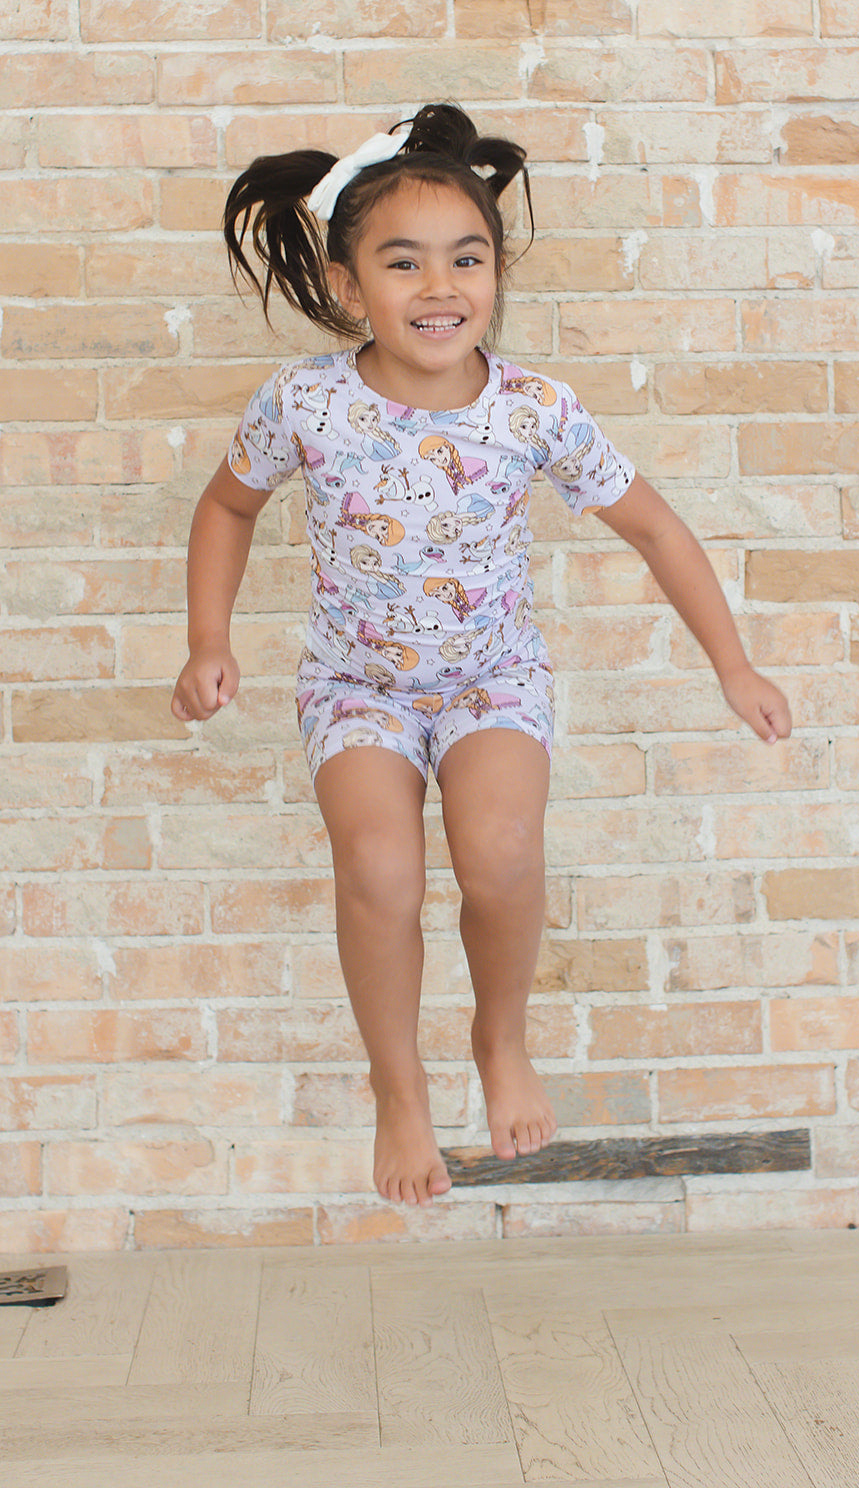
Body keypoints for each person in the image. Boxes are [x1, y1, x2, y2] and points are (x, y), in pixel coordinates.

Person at [171, 103, 792, 1208]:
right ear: (348, 283)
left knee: (500, 852)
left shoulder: (534, 411)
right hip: (356, 686)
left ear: (496, 273)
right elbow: (226, 507)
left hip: (491, 678)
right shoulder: (305, 402)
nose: (439, 285)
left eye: (466, 258)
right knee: (379, 870)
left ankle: (499, 1040)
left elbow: (655, 529)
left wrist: (732, 666)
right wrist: (207, 641)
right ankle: (397, 1085)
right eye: (401, 262)